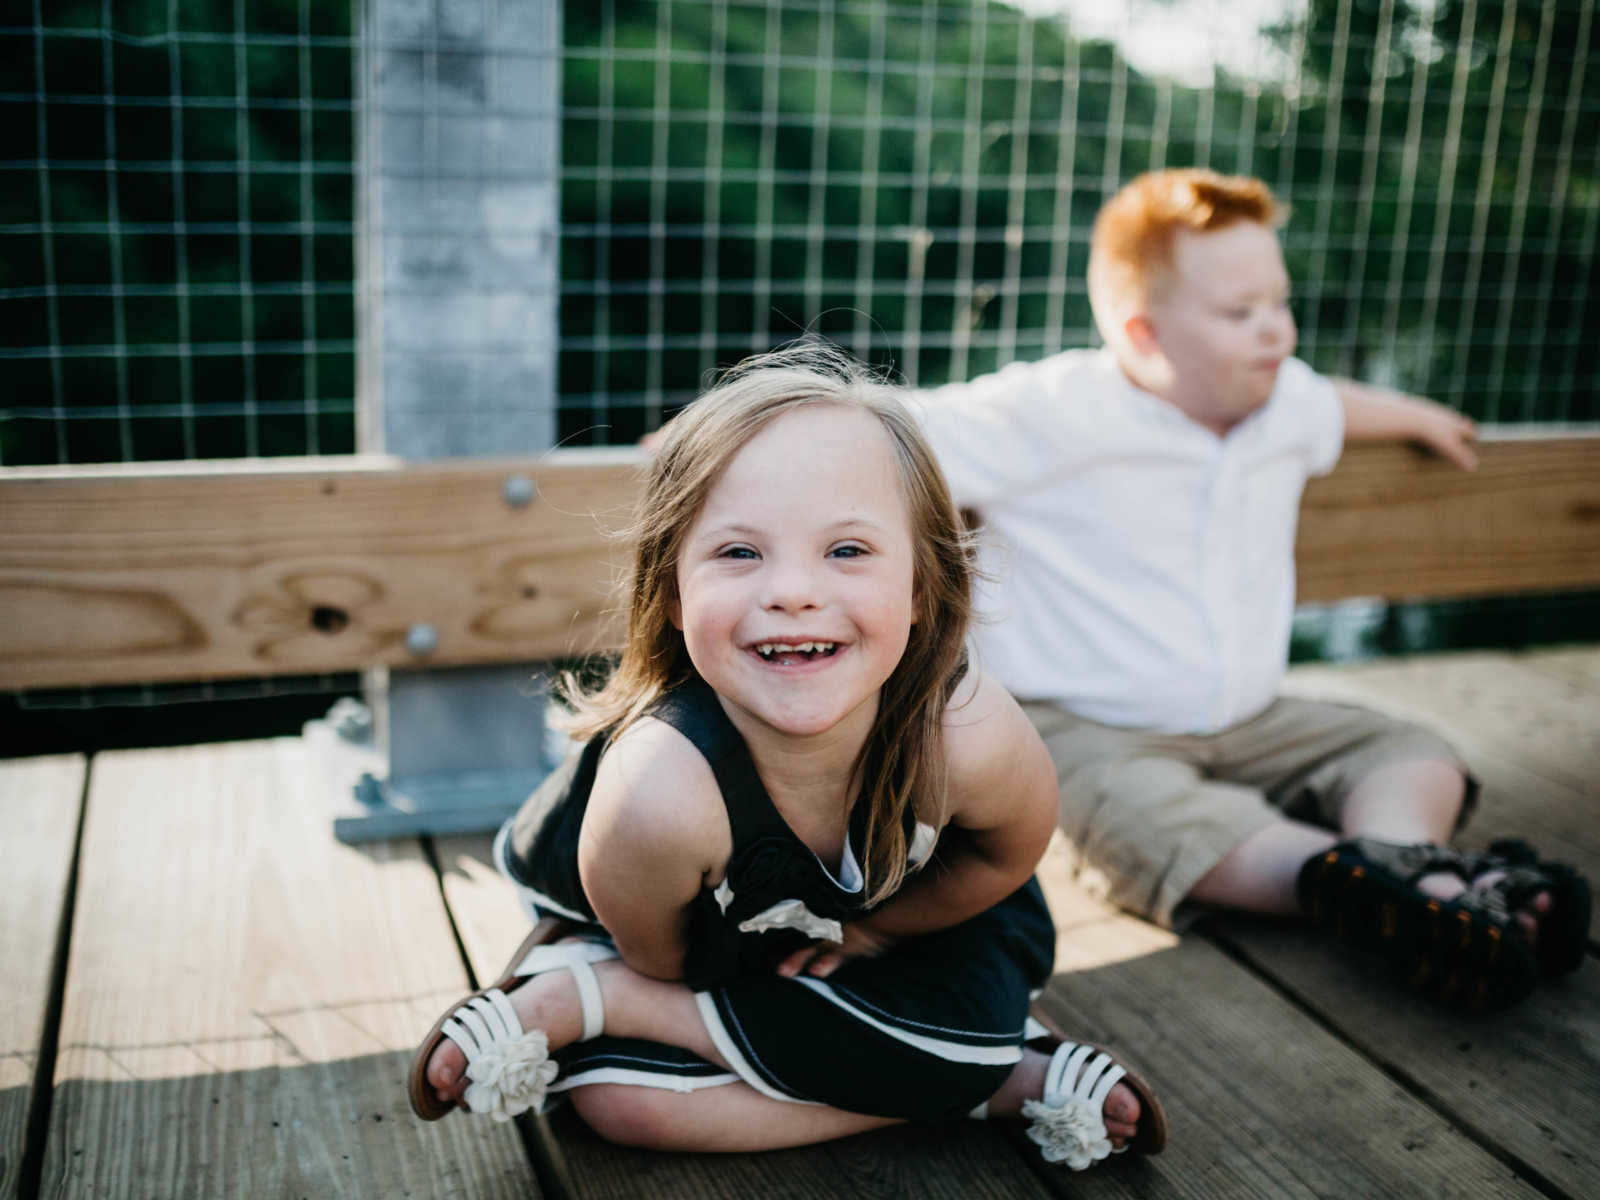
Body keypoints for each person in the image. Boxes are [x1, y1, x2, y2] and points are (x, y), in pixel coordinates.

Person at [407, 345, 1169, 1169]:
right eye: (739, 553)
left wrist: (874, 936)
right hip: (694, 944)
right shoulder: (660, 790)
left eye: (847, 551)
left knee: (962, 1027)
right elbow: (663, 957)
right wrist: (767, 995)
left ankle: (592, 1004)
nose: (793, 591)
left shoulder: (966, 734)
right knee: (623, 1106)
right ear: (671, 592)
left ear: (921, 586)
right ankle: (990, 1078)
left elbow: (1005, 857)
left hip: (916, 910)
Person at [905, 167, 1590, 1013]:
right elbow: (898, 432)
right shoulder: (1050, 411)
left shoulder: (1282, 401)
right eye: (1240, 314)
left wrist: (1417, 417)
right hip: (1081, 730)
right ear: (1145, 336)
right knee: (1143, 823)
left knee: (1410, 751)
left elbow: (1333, 404)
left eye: (1279, 302)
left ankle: (1415, 877)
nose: (1275, 331)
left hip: (1255, 719)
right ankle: (1351, 883)